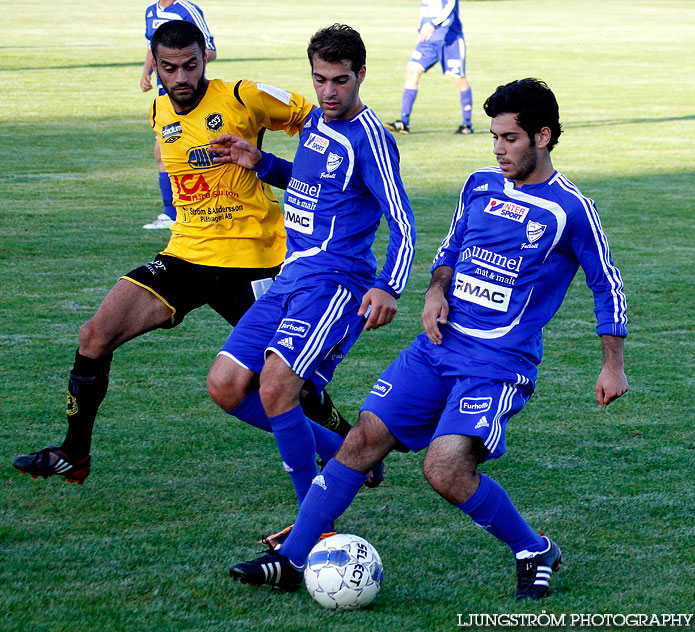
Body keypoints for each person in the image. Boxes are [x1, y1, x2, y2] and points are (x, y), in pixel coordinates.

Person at [228, 78, 629, 600]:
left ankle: (534, 549)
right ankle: (292, 557)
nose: (498, 149)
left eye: (509, 139)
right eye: (494, 138)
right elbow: (449, 249)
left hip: (496, 364)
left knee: (443, 468)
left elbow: (608, 284)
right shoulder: (479, 185)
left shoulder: (571, 209)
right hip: (437, 346)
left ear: (543, 137)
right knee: (362, 439)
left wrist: (612, 364)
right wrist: (436, 291)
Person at [12, 21, 349, 485]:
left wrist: (285, 169)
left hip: (254, 260)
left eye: (190, 65)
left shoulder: (243, 96)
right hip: (185, 255)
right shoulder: (158, 111)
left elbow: (320, 124)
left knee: (295, 382)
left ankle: (350, 448)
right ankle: (74, 453)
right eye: (169, 68)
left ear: (204, 57)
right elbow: (174, 159)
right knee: (94, 336)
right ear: (156, 65)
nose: (181, 78)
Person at [205, 24, 416, 538]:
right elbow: (311, 183)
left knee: (278, 389)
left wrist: (388, 286)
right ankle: (352, 456)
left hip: (335, 283)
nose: (328, 92)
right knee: (227, 386)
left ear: (361, 75)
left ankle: (314, 527)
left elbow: (404, 223)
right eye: (320, 79)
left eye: (340, 81)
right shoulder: (318, 126)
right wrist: (262, 163)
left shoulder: (373, 140)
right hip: (289, 278)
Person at [141, 0, 217, 230]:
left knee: (184, 151)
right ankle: (176, 213)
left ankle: (179, 213)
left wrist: (183, 63)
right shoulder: (151, 11)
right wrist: (146, 72)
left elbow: (210, 50)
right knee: (164, 152)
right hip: (166, 94)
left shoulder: (187, 10)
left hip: (189, 94)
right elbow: (152, 46)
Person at [385, 0, 473, 135]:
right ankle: (404, 122)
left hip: (450, 40)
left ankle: (467, 124)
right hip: (427, 41)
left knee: (458, 78)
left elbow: (450, 5)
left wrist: (433, 24)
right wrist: (422, 30)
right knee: (412, 71)